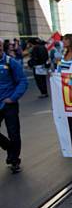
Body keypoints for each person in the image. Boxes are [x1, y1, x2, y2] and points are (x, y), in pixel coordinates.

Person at [0, 40, 28, 173]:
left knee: (14, 133)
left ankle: (14, 160)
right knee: (11, 139)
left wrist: (13, 98)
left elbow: (22, 81)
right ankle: (9, 147)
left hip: (9, 104)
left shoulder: (11, 62)